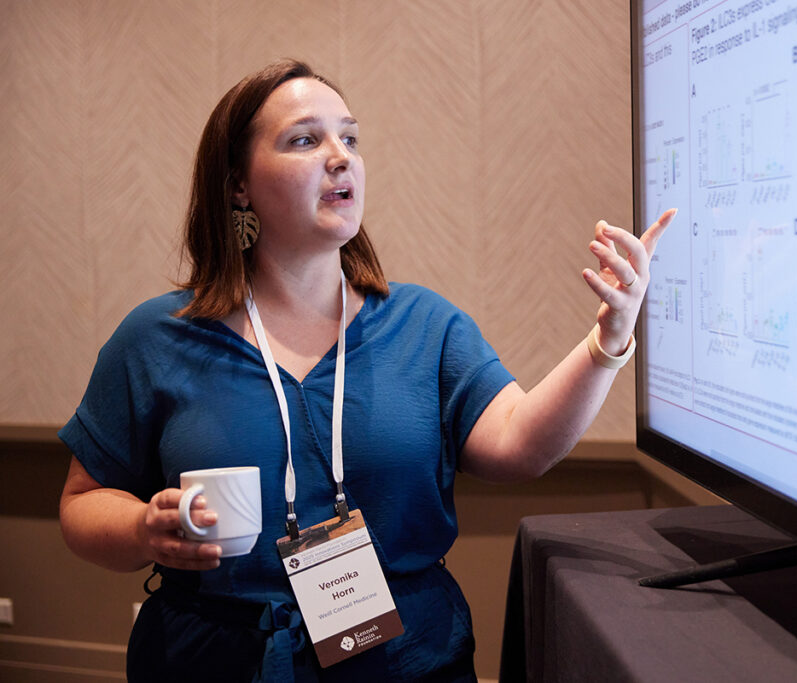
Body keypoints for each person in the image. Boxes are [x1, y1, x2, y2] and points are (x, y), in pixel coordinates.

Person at [58, 58, 675, 682]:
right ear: (238, 184)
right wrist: (143, 529)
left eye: (349, 138)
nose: (340, 156)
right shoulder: (156, 337)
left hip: (403, 658)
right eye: (305, 139)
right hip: (215, 659)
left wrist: (608, 338)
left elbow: (520, 445)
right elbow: (81, 504)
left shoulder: (425, 324)